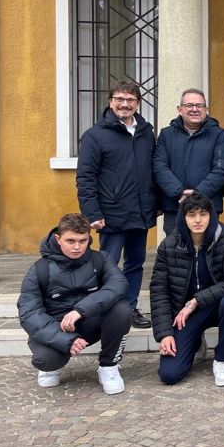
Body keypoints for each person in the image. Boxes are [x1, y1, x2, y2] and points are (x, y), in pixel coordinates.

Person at [17, 213, 132, 395]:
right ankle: (52, 366)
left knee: (122, 310)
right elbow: (29, 313)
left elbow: (118, 285)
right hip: (56, 328)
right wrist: (65, 340)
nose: (77, 247)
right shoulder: (39, 269)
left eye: (82, 241)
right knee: (45, 360)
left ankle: (109, 366)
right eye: (70, 241)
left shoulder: (100, 259)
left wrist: (81, 310)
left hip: (89, 322)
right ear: (58, 239)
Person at [76, 79, 156, 329]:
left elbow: (152, 171)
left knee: (135, 264)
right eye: (119, 99)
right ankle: (105, 310)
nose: (125, 104)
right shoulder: (95, 136)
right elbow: (85, 178)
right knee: (107, 266)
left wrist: (154, 204)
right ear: (110, 102)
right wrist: (92, 213)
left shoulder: (146, 133)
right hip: (110, 214)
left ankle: (129, 308)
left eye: (130, 99)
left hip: (140, 213)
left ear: (138, 103)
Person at [150, 192, 224, 387]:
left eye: (203, 214)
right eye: (191, 215)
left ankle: (221, 359)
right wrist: (165, 333)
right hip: (186, 314)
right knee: (169, 374)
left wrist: (195, 301)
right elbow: (159, 290)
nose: (198, 220)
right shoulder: (169, 246)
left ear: (211, 215)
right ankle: (195, 341)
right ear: (183, 217)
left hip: (217, 306)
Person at [153, 88, 224, 236]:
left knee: (207, 248)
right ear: (180, 109)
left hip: (207, 207)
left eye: (199, 105)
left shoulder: (219, 135)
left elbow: (222, 169)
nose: (194, 109)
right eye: (189, 105)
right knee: (175, 248)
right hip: (175, 206)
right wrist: (180, 192)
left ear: (206, 109)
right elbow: (159, 167)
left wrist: (197, 193)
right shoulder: (166, 134)